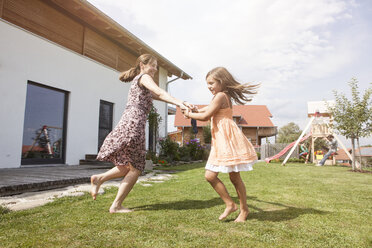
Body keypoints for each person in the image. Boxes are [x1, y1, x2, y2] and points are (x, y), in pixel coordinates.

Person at [90, 54, 193, 213]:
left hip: (129, 122)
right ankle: (116, 206)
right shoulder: (144, 77)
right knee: (136, 168)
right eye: (153, 65)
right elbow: (159, 91)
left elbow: (159, 96)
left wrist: (181, 103)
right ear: (142, 65)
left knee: (126, 167)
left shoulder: (139, 80)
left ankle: (99, 179)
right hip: (134, 124)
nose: (156, 69)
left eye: (156, 66)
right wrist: (180, 103)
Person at [182, 67, 259, 222]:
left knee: (234, 177)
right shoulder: (219, 97)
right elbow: (205, 110)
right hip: (221, 140)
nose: (209, 86)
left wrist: (188, 114)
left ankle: (244, 210)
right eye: (207, 84)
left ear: (221, 81)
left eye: (211, 83)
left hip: (228, 139)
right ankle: (230, 204)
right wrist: (194, 108)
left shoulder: (220, 96)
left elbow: (205, 116)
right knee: (211, 176)